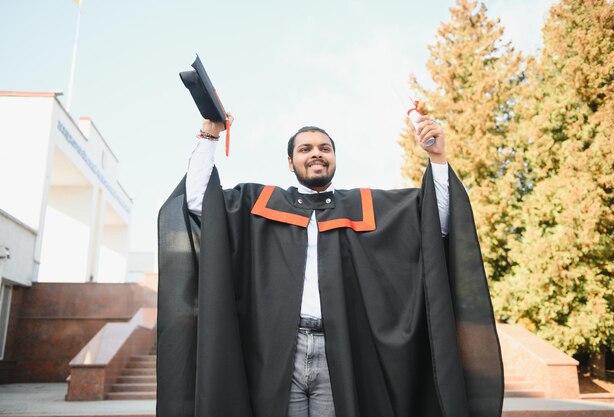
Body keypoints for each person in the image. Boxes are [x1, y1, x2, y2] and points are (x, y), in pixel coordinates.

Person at [157, 114, 504, 417]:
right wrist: (210, 134)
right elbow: (197, 201)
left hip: (340, 350)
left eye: (324, 148)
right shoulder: (257, 203)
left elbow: (436, 224)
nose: (316, 154)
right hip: (275, 352)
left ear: (334, 158)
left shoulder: (366, 206)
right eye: (305, 149)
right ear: (291, 163)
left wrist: (438, 158)